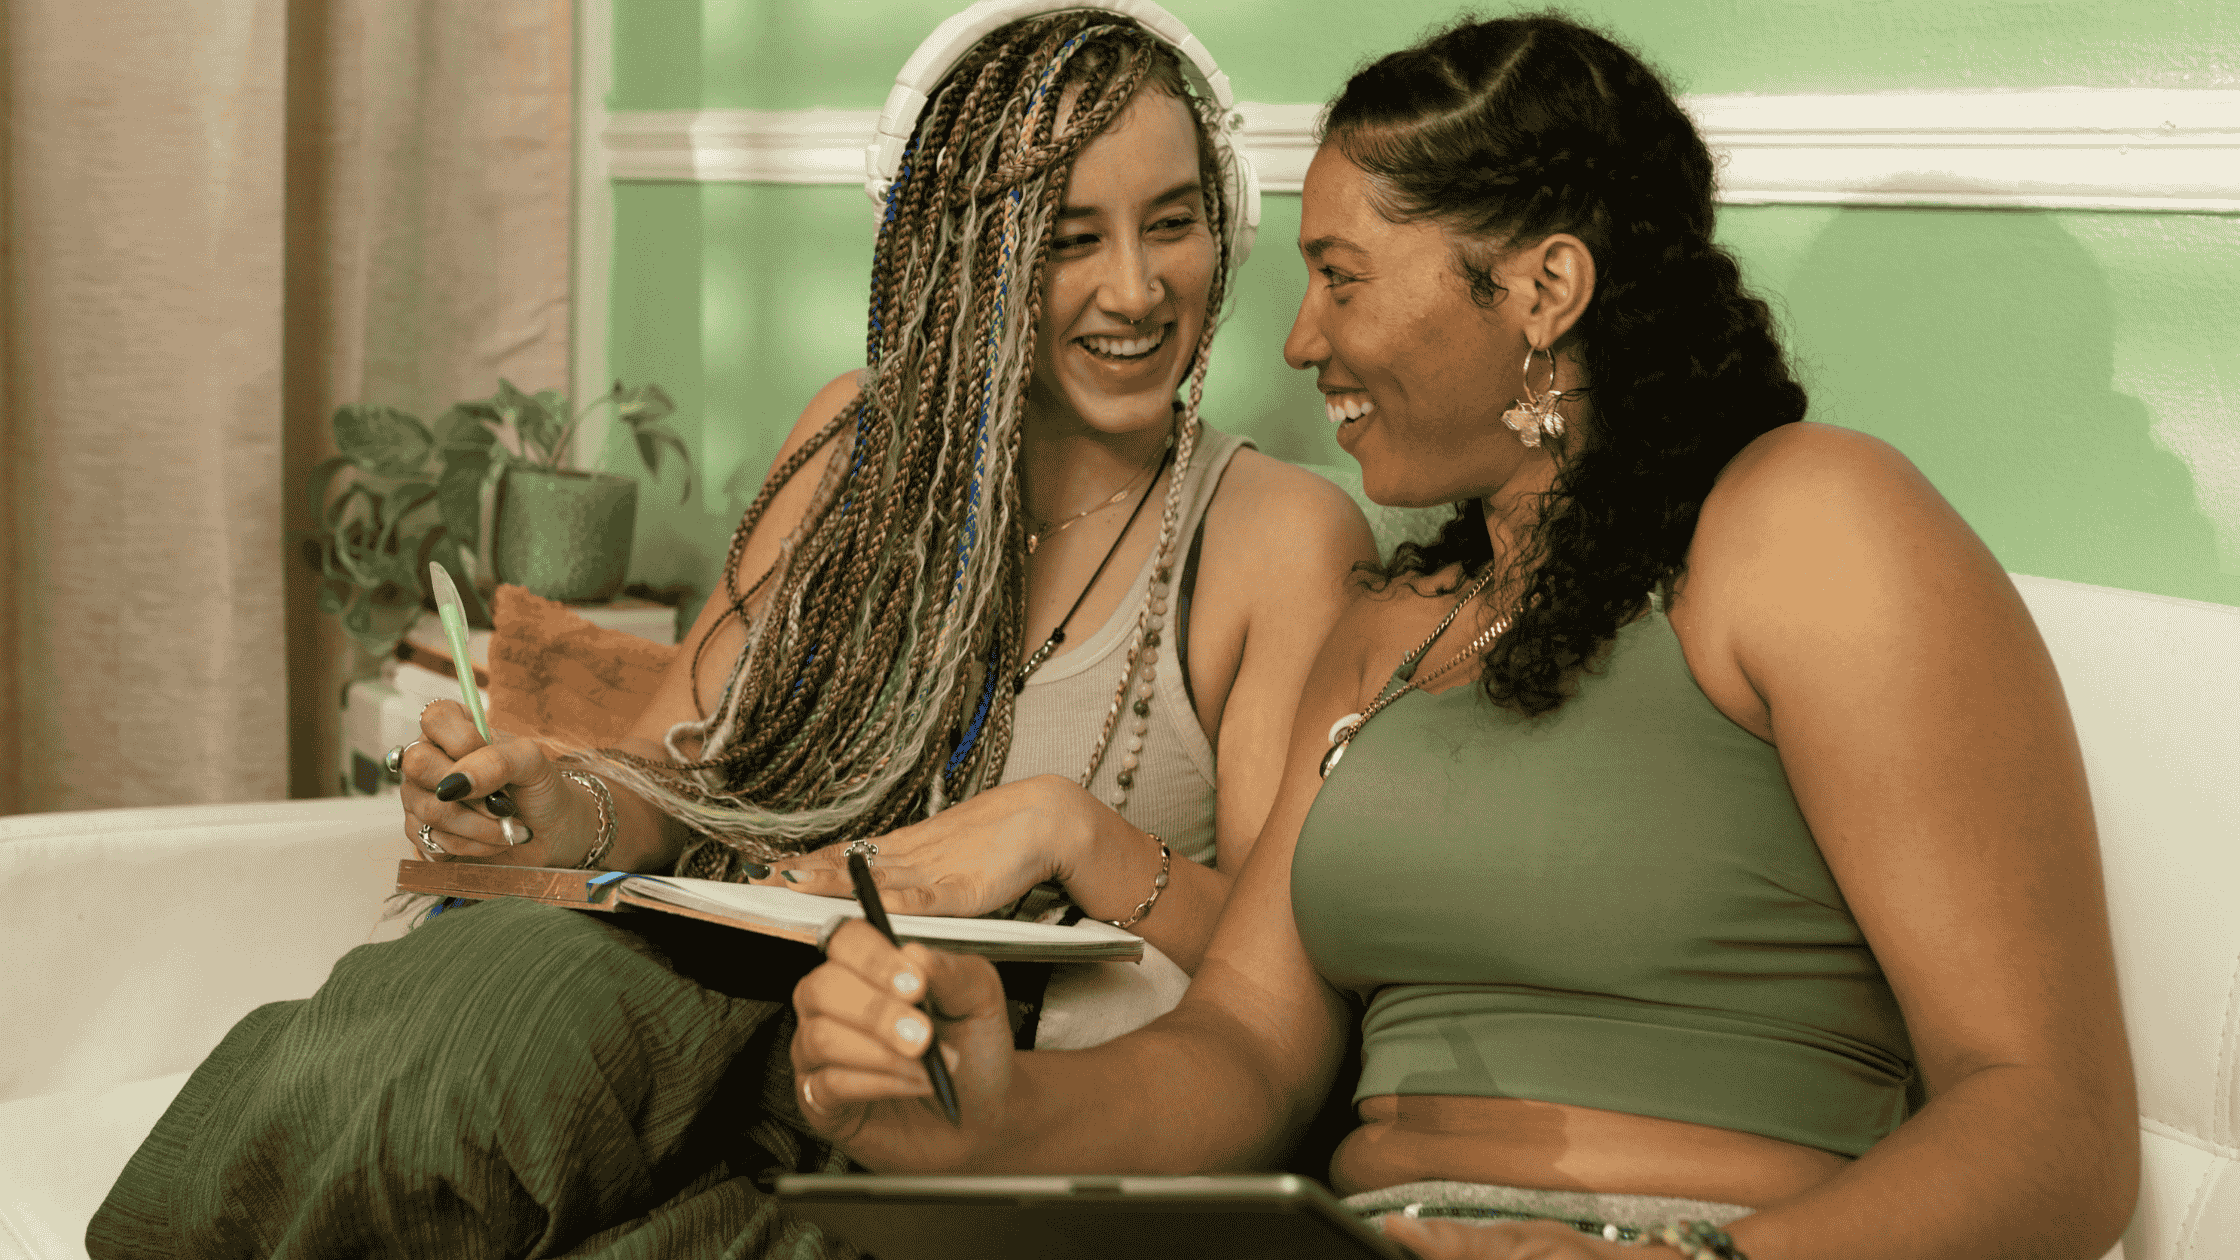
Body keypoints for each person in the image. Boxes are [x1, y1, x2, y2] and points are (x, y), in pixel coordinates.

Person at [788, 14, 2139, 1260]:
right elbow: (1245, 1052)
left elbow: (2055, 1132)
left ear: (1544, 290)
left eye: (1343, 277)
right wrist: (990, 1107)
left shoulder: (1806, 526)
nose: (1302, 338)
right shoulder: (1387, 632)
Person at [87, 6, 1371, 1257]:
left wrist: (1067, 832)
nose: (1137, 289)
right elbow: (682, 778)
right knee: (479, 1019)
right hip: (743, 1023)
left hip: (982, 1102)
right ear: (966, 258)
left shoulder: (1276, 536)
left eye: (1174, 223)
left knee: (521, 1042)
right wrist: (559, 804)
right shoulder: (854, 447)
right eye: (1069, 236)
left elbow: (1281, 990)